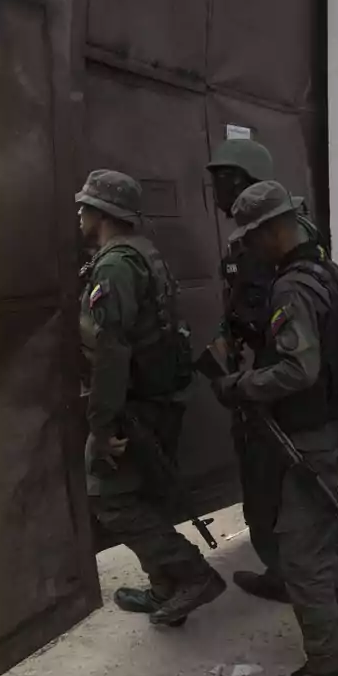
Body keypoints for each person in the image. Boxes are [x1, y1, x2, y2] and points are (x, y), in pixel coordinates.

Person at [214, 181, 338, 676]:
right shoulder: (327, 270)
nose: (249, 247)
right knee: (321, 539)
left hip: (308, 435)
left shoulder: (291, 286)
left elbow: (298, 369)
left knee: (302, 558)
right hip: (332, 427)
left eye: (251, 236)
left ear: (271, 230)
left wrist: (239, 386)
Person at [78, 170, 227, 627]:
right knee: (146, 494)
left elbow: (111, 352)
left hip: (133, 403)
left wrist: (102, 428)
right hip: (158, 397)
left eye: (85, 207)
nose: (79, 214)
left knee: (113, 502)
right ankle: (167, 589)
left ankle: (191, 575)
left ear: (102, 213)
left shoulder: (115, 266)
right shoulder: (144, 253)